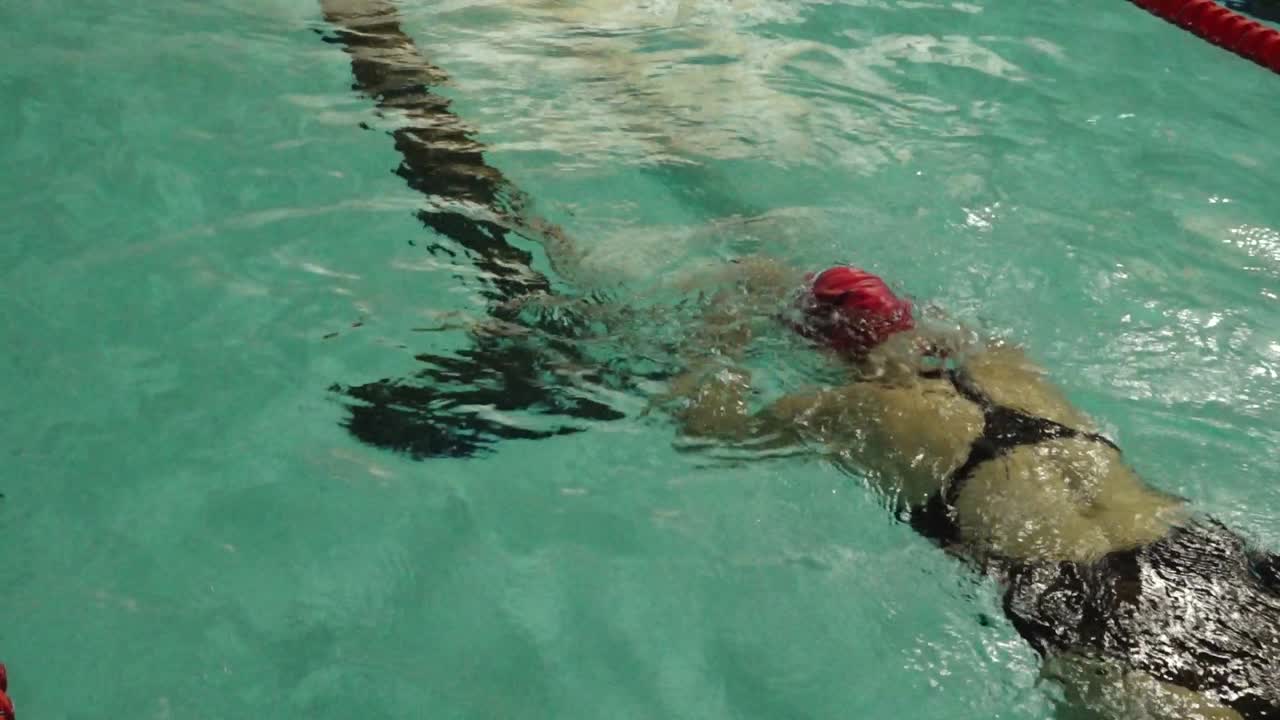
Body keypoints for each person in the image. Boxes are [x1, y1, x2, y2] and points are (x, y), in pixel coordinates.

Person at [665, 261, 1280, 720]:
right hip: (1201, 556)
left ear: (820, 350)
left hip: (1080, 605)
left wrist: (721, 335)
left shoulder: (847, 409)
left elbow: (707, 435)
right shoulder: (1007, 362)